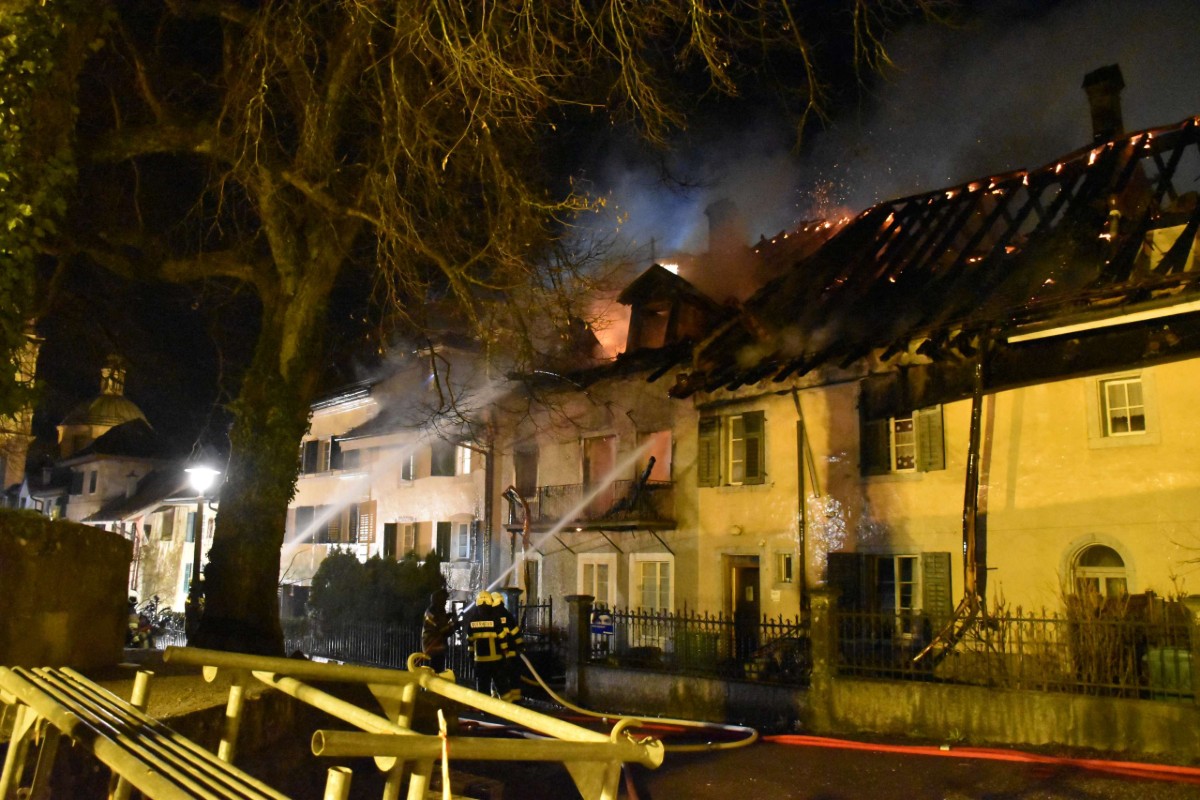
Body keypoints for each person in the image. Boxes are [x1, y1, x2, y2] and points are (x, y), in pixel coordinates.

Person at [464, 591, 506, 697]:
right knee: (501, 685)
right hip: (496, 660)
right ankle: (506, 709)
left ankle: (485, 711)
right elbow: (502, 637)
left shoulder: (472, 619)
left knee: (483, 687)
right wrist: (505, 653)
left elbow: (469, 640)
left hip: (480, 661)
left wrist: (470, 657)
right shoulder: (494, 617)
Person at [491, 591, 525, 703]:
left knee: (498, 676)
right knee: (514, 675)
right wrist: (520, 645)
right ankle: (516, 698)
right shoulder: (507, 614)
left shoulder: (491, 616)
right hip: (511, 652)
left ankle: (496, 696)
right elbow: (515, 632)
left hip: (498, 653)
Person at [421, 587, 456, 673]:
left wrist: (448, 617)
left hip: (437, 648)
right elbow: (440, 630)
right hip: (432, 648)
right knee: (433, 674)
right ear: (438, 600)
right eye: (444, 600)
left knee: (437, 673)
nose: (445, 602)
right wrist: (452, 626)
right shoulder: (432, 613)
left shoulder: (437, 611)